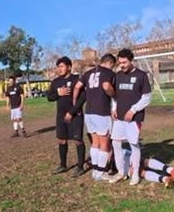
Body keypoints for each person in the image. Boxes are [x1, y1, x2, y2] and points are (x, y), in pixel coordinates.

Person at [110, 48, 152, 186]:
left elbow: (147, 97)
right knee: (116, 142)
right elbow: (115, 96)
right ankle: (121, 172)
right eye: (120, 62)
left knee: (133, 144)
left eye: (124, 62)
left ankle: (135, 174)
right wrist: (114, 108)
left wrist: (133, 110)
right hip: (119, 117)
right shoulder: (118, 75)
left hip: (134, 118)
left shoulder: (141, 75)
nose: (122, 65)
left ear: (131, 60)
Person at [73, 53, 116, 181]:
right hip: (102, 112)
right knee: (104, 143)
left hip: (89, 112)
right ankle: (101, 172)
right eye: (113, 66)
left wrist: (75, 104)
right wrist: (114, 95)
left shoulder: (88, 73)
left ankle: (95, 172)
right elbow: (106, 86)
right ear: (110, 63)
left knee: (95, 142)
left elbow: (77, 87)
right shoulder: (108, 73)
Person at [47, 56, 86, 177]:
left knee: (78, 140)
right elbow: (49, 97)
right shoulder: (56, 82)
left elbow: (83, 97)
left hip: (75, 115)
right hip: (60, 116)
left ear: (69, 67)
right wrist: (58, 93)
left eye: (61, 66)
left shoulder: (77, 79)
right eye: (58, 67)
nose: (59, 69)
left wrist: (71, 112)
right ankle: (63, 165)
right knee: (61, 140)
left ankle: (80, 167)